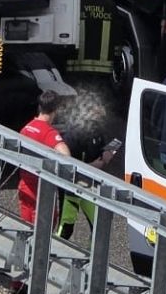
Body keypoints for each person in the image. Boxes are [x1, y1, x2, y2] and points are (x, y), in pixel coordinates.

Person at [17, 90, 120, 232]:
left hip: (25, 187)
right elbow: (68, 162)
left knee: (25, 230)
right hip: (43, 191)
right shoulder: (50, 134)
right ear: (56, 109)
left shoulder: (26, 128)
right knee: (43, 232)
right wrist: (99, 163)